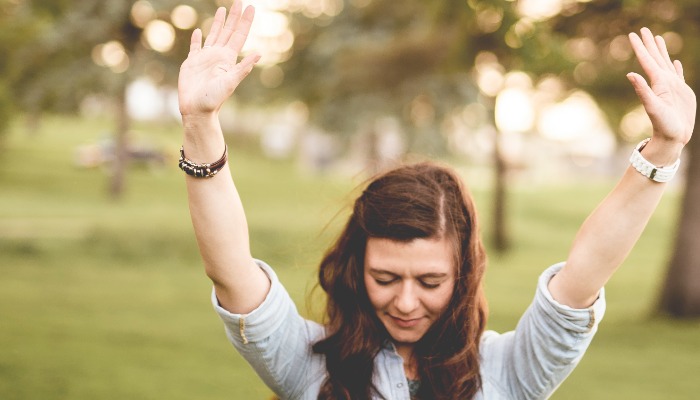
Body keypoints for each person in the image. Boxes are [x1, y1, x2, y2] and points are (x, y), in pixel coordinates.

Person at [177, 4, 696, 400]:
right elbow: (231, 273)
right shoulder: (309, 365)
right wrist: (200, 124)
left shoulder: (510, 371)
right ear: (357, 269)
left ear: (463, 275)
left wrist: (665, 148)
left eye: (429, 281)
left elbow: (583, 276)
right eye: (386, 278)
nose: (405, 303)